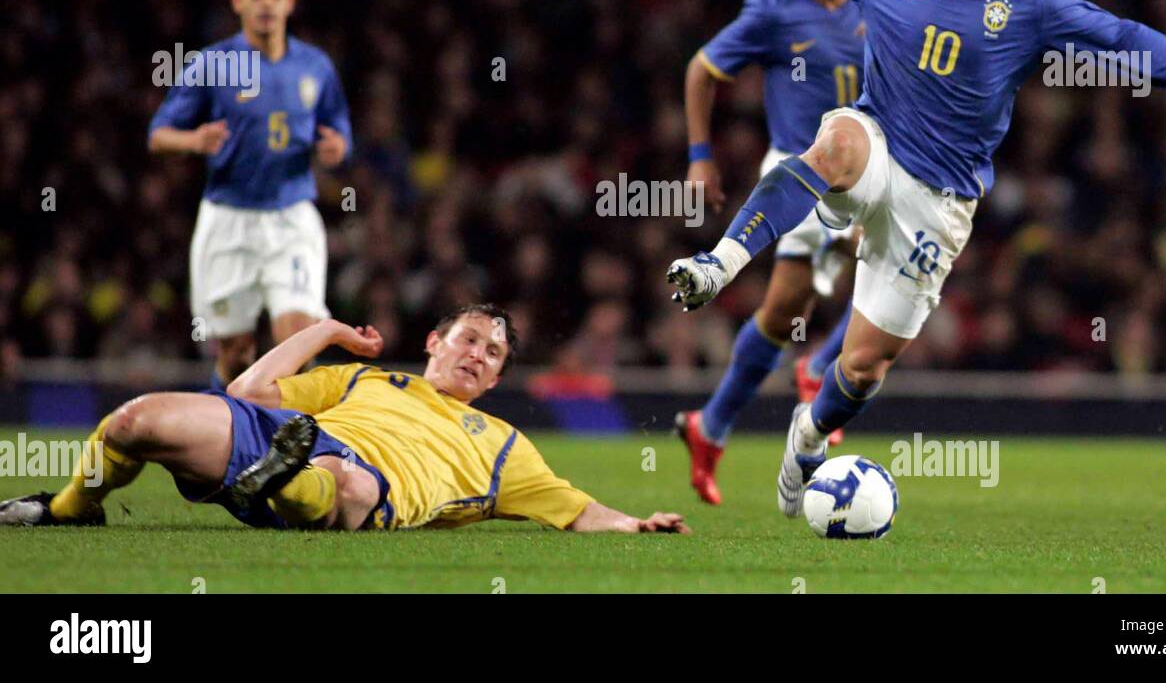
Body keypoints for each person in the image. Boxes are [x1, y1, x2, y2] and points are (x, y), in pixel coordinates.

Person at [659, 0, 1166, 517]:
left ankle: (806, 436)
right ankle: (719, 264)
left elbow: (1122, 39)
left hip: (940, 202)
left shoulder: (1031, 0)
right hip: (878, 148)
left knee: (864, 367)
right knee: (835, 140)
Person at [0, 305, 690, 534]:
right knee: (134, 420)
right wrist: (327, 329)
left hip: (369, 484)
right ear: (433, 343)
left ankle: (278, 480)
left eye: (494, 354)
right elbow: (249, 390)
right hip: (294, 440)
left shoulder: (506, 446)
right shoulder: (364, 378)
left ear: (500, 379)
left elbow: (576, 510)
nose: (478, 356)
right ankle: (69, 509)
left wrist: (635, 522)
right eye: (470, 339)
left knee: (348, 483)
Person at [677, 0, 865, 505]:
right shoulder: (773, 14)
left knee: (787, 310)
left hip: (869, 166)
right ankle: (815, 372)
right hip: (801, 169)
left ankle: (711, 426)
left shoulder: (875, 4)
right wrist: (700, 153)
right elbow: (702, 70)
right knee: (882, 262)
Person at [148, 0, 353, 391]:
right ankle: (224, 436)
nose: (266, 2)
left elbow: (339, 131)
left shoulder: (315, 67)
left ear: (290, 2)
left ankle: (297, 454)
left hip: (291, 215)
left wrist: (337, 147)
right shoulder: (213, 64)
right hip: (229, 219)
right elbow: (158, 134)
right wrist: (193, 140)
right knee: (236, 352)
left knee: (297, 340)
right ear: (237, 1)